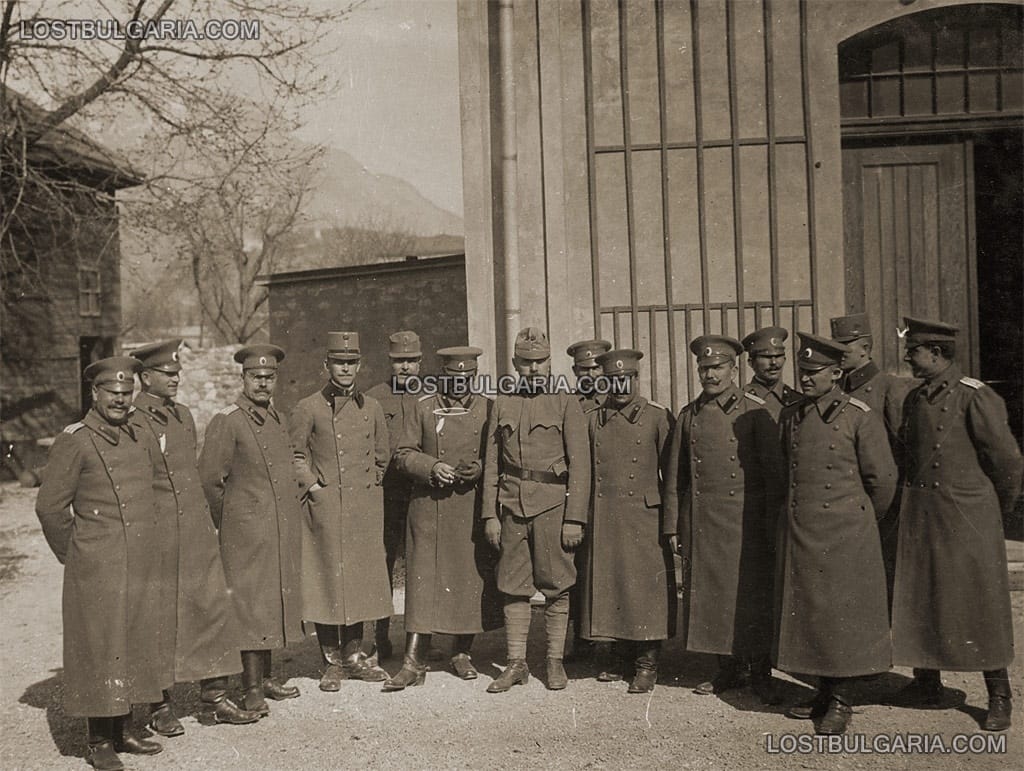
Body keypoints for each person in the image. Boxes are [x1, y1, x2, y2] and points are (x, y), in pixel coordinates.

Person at [36, 357, 169, 771]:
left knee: (132, 641)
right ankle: (98, 740)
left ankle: (125, 728)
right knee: (100, 647)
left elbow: (154, 489)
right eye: (112, 393)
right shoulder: (75, 440)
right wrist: (78, 554)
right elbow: (49, 507)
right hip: (98, 566)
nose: (120, 400)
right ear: (94, 393)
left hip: (139, 561)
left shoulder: (139, 433)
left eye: (127, 393)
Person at [890, 317, 1023, 731]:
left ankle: (999, 694)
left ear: (938, 353)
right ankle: (927, 681)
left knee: (979, 603)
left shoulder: (975, 397)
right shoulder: (915, 398)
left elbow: (1007, 461)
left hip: (967, 516)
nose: (908, 357)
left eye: (914, 351)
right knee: (924, 596)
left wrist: (990, 510)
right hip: (924, 514)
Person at [129, 340, 260, 733]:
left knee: (211, 610)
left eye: (177, 373)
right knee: (160, 618)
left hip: (196, 532)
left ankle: (215, 697)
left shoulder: (183, 415)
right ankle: (158, 706)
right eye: (167, 374)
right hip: (158, 536)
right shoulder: (133, 420)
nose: (175, 379)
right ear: (145, 377)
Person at [775, 333, 897, 735]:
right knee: (814, 613)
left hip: (846, 532)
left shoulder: (859, 415)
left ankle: (843, 701)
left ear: (837, 373)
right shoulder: (792, 414)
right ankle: (824, 691)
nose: (806, 379)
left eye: (814, 373)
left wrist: (858, 521)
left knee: (843, 616)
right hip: (803, 530)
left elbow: (883, 481)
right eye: (803, 371)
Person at [663, 336, 780, 704]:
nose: (709, 375)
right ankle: (726, 669)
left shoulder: (755, 411)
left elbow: (772, 475)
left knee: (749, 597)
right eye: (703, 368)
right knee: (711, 597)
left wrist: (770, 525)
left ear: (734, 369)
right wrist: (673, 525)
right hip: (703, 522)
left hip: (745, 522)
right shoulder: (688, 415)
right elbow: (675, 477)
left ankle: (760, 671)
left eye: (717, 368)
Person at [384, 346, 502, 691]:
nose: (460, 384)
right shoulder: (422, 406)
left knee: (467, 578)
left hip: (469, 507)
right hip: (429, 507)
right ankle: (412, 662)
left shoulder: (489, 408)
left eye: (467, 378)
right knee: (423, 582)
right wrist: (431, 466)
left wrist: (479, 468)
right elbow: (402, 455)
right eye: (454, 378)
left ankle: (461, 652)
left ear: (475, 377)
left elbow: (497, 455)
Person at [482, 327, 591, 692]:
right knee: (513, 586)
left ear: (550, 362)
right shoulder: (504, 403)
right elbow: (493, 464)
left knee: (557, 585)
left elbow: (581, 465)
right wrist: (489, 514)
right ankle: (516, 663)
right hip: (511, 504)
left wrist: (574, 517)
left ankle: (554, 661)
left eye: (540, 362)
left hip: (552, 506)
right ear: (515, 364)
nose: (533, 369)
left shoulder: (565, 402)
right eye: (525, 363)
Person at [199, 344, 304, 717]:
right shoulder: (227, 421)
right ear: (243, 378)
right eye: (256, 377)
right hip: (244, 533)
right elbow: (210, 481)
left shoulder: (276, 417)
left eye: (269, 377)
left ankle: (269, 677)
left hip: (274, 531)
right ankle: (252, 687)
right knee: (248, 608)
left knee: (270, 602)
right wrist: (230, 523)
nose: (263, 383)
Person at [290, 331, 392, 690]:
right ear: (326, 365)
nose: (345, 369)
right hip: (326, 506)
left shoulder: (373, 407)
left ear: (359, 365)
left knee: (359, 581)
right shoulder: (308, 407)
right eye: (339, 362)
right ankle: (331, 661)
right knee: (328, 579)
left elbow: (382, 454)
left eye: (351, 363)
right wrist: (316, 486)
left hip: (362, 507)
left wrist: (368, 487)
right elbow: (296, 454)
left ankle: (354, 657)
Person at [581, 349, 675, 693]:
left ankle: (647, 661)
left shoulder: (657, 417)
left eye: (627, 379)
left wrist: (671, 522)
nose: (620, 385)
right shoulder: (593, 418)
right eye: (612, 379)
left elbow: (674, 473)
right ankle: (620, 653)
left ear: (637, 379)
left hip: (643, 516)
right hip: (606, 515)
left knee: (644, 589)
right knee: (614, 583)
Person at [365, 330, 423, 661]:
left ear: (420, 362)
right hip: (387, 493)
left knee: (420, 565)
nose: (405, 368)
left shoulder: (432, 396)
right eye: (400, 361)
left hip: (421, 494)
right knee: (382, 564)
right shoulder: (374, 397)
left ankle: (419, 640)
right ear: (391, 362)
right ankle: (380, 637)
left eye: (411, 361)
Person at [564, 337, 611, 661]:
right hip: (577, 500)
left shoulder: (616, 401)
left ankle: (616, 642)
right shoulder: (568, 403)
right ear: (574, 370)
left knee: (610, 570)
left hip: (610, 501)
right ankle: (582, 640)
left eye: (596, 368)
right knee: (575, 570)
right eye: (584, 369)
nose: (590, 374)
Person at [740, 327, 801, 424]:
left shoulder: (797, 400)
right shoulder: (741, 401)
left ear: (784, 359)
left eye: (778, 356)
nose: (774, 362)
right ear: (751, 363)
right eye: (766, 357)